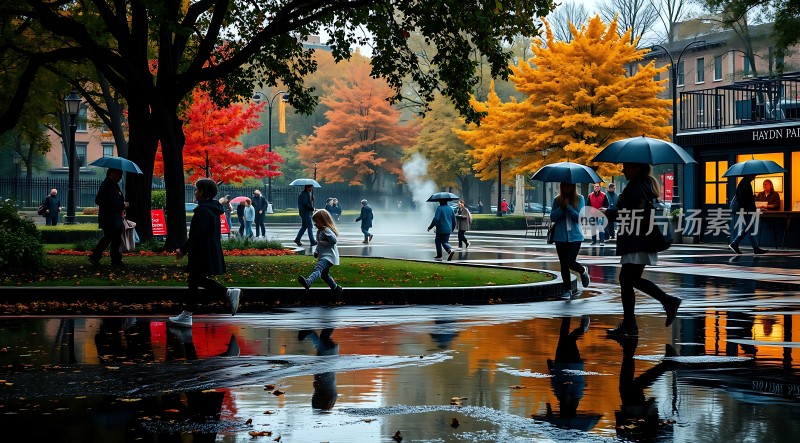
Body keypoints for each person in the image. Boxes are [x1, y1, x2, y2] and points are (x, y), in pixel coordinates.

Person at [606, 163, 682, 337]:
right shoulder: (646, 185)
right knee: (628, 279)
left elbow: (628, 213)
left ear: (637, 168)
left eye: (626, 166)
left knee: (627, 279)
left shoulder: (635, 187)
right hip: (642, 240)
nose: (623, 169)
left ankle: (665, 302)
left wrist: (607, 212)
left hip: (636, 240)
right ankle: (631, 322)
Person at [168, 178, 241, 328]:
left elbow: (196, 234)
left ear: (202, 192)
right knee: (194, 281)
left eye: (196, 190)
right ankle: (187, 315)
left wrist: (183, 250)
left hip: (201, 252)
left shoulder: (202, 210)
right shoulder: (213, 209)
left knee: (195, 280)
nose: (195, 193)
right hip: (208, 250)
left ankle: (227, 293)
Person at [549, 182, 590, 299]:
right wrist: (562, 207)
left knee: (570, 261)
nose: (566, 187)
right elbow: (552, 217)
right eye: (564, 185)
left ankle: (582, 271)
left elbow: (580, 218)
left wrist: (569, 207)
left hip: (575, 237)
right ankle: (567, 290)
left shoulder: (580, 198)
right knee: (563, 264)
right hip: (560, 237)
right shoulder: (557, 200)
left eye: (569, 185)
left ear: (573, 186)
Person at [297, 209, 343, 298]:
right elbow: (319, 242)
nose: (315, 224)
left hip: (329, 256)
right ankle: (336, 288)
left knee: (318, 268)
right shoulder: (320, 231)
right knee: (324, 275)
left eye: (316, 222)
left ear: (322, 221)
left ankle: (309, 282)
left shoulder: (327, 230)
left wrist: (324, 242)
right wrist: (317, 251)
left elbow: (333, 241)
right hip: (324, 255)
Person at [89, 168, 128, 266]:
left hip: (113, 218)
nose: (120, 177)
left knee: (113, 238)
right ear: (113, 173)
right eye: (119, 174)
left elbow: (101, 200)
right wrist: (122, 205)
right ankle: (98, 257)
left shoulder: (112, 185)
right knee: (110, 238)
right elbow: (107, 201)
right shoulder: (108, 185)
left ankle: (112, 259)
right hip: (110, 218)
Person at [729, 174, 768, 255]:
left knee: (749, 228)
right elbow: (743, 199)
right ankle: (754, 248)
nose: (755, 176)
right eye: (754, 175)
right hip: (745, 210)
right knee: (750, 228)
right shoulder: (745, 184)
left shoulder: (744, 183)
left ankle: (735, 244)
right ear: (749, 175)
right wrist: (751, 199)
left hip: (745, 210)